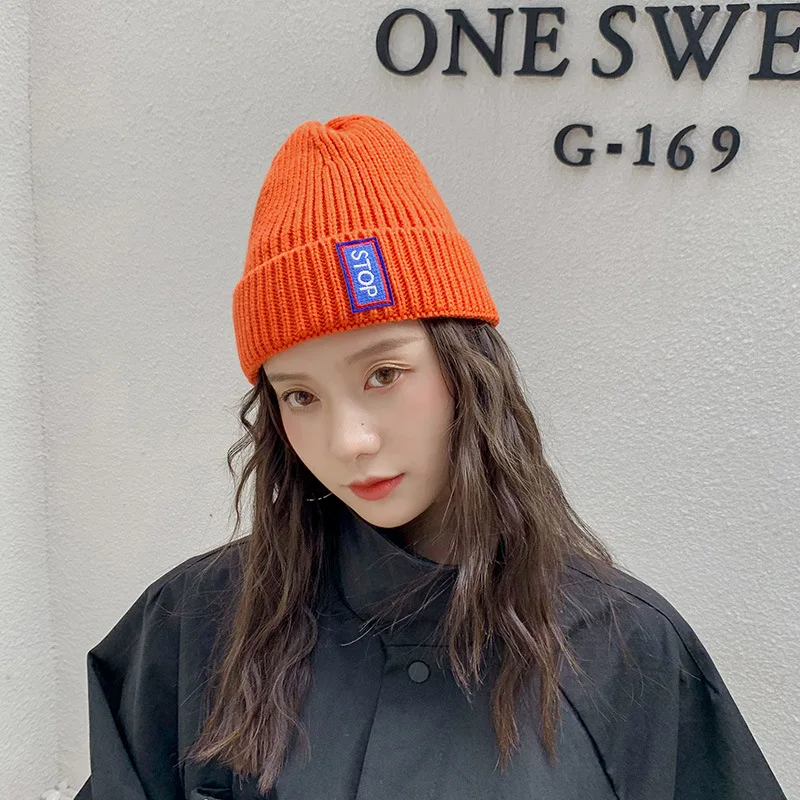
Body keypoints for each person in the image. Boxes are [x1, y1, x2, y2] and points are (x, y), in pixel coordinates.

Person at [75, 114, 788, 800]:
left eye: (383, 374)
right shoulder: (193, 625)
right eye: (300, 395)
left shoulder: (622, 649)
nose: (349, 440)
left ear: (465, 371)